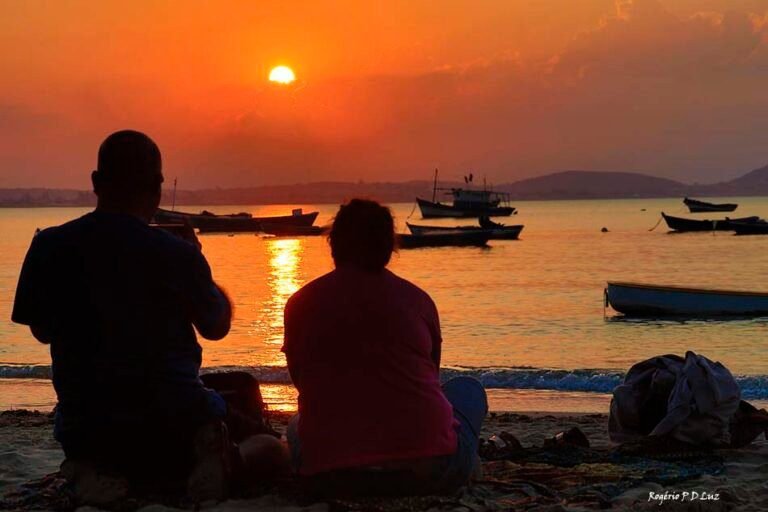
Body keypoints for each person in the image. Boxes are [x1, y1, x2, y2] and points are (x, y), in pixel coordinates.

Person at [12, 130, 286, 503]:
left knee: (100, 424)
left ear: (96, 183)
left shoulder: (49, 245)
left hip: (87, 425)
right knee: (272, 447)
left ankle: (89, 469)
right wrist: (198, 261)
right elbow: (217, 326)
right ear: (157, 187)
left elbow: (42, 331)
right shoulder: (176, 253)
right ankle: (226, 460)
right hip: (175, 420)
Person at [282, 198, 488, 495]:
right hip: (428, 470)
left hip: (330, 474)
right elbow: (432, 376)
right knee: (468, 389)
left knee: (296, 423)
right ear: (389, 247)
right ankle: (462, 461)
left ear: (334, 244)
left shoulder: (299, 304)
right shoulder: (418, 301)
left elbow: (301, 380)